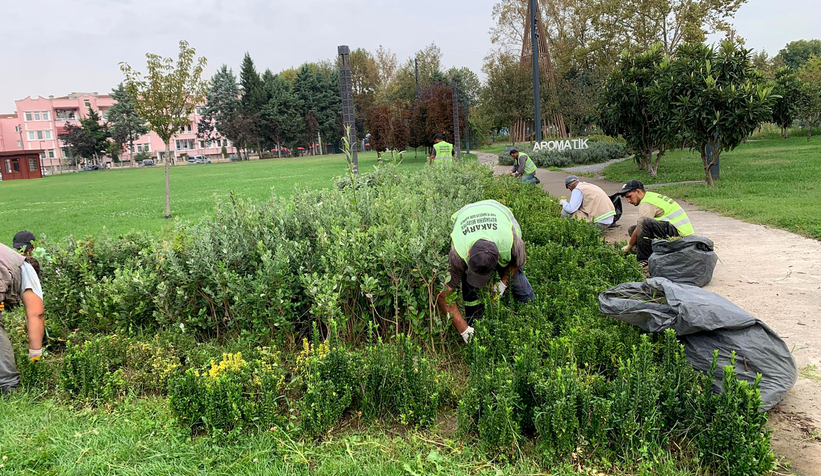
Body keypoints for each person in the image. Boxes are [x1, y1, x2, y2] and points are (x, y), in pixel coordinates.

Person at [436, 200, 536, 343]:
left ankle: (532, 309)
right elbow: (443, 293)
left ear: (498, 257)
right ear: (469, 253)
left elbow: (517, 262)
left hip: (499, 211)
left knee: (518, 281)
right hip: (467, 213)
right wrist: (463, 329)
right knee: (469, 286)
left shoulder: (511, 241)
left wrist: (503, 283)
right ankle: (474, 320)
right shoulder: (458, 253)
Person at [1, 240, 46, 393]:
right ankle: (7, 384)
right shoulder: (25, 268)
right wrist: (35, 356)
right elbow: (36, 314)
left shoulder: (7, 257)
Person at [617, 180, 695, 262]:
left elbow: (641, 225)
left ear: (638, 191)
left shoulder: (647, 202)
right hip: (674, 230)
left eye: (629, 197)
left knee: (643, 223)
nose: (628, 201)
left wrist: (629, 246)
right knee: (632, 230)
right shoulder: (651, 196)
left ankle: (644, 260)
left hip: (680, 234)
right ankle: (652, 253)